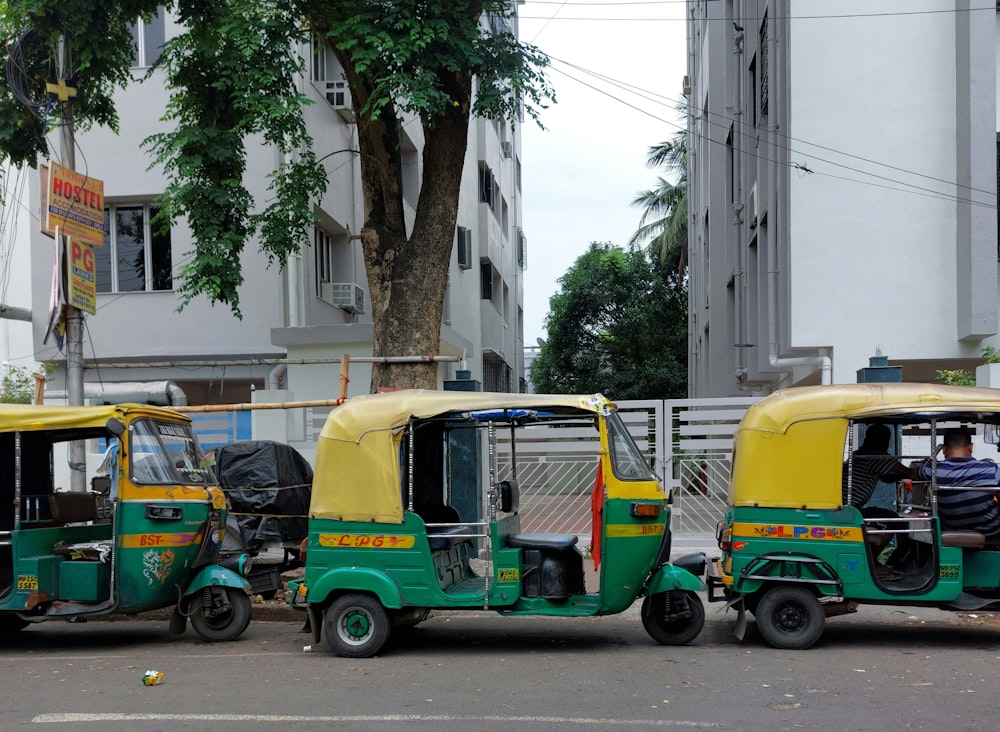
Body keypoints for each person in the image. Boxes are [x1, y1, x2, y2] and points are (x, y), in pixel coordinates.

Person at [916, 427, 1000, 538]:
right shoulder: (991, 470)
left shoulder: (931, 469)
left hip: (950, 530)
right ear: (971, 447)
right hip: (991, 532)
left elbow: (911, 472)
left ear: (944, 449)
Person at [842, 424, 914, 516]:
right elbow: (909, 472)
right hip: (850, 509)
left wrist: (904, 475)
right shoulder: (876, 456)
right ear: (884, 441)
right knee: (895, 519)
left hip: (846, 506)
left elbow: (886, 478)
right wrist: (919, 471)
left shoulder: (862, 454)